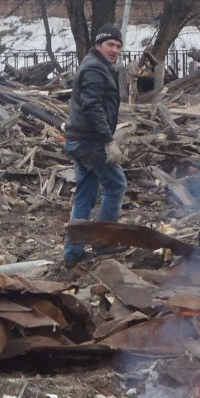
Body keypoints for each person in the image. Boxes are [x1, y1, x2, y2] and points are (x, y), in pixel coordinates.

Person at [63, 24, 127, 268]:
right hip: (90, 140)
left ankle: (73, 253)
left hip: (79, 139)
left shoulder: (98, 66)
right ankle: (103, 241)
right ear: (100, 45)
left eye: (119, 46)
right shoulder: (94, 69)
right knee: (116, 185)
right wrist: (108, 140)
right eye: (110, 44)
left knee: (86, 193)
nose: (115, 50)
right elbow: (92, 106)